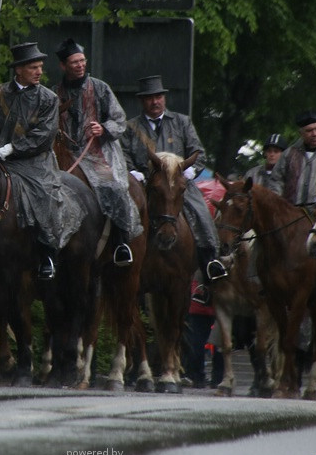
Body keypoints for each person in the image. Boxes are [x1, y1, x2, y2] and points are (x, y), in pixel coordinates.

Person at [0, 42, 86, 281]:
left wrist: (13, 148)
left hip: (35, 162)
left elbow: (44, 136)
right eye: (33, 67)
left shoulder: (48, 98)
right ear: (18, 70)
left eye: (40, 67)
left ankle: (48, 253)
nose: (39, 72)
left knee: (46, 195)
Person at [121, 74, 224, 285]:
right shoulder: (130, 127)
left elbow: (198, 152)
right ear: (142, 101)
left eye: (158, 96)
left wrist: (191, 171)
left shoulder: (181, 122)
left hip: (177, 184)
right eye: (150, 97)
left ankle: (210, 262)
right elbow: (122, 154)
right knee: (121, 212)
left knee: (201, 212)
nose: (155, 101)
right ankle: (120, 252)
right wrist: (132, 172)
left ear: (164, 98)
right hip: (144, 185)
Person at [54, 38, 141, 265]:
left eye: (82, 61)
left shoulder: (100, 88)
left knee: (114, 187)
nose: (80, 65)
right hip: (65, 153)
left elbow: (119, 119)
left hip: (98, 153)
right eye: (74, 62)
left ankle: (122, 242)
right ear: (64, 66)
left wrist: (103, 128)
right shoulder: (55, 94)